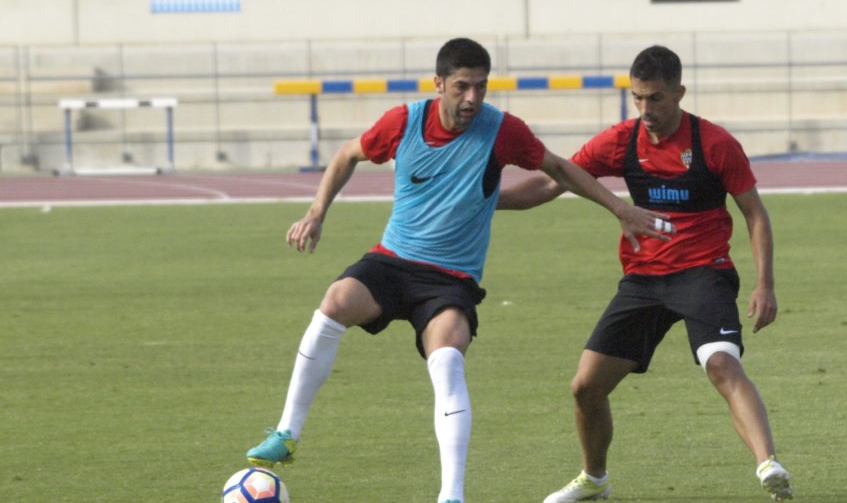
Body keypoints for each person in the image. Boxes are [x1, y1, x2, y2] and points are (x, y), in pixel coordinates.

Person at [244, 38, 669, 503]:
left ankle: (452, 496)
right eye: (462, 87)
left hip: (451, 279)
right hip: (392, 261)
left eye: (481, 87)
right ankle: (287, 433)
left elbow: (559, 170)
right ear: (439, 84)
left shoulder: (502, 130)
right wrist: (316, 212)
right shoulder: (403, 122)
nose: (472, 98)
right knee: (334, 304)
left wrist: (619, 209)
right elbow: (347, 155)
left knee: (447, 359)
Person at [498, 45, 793, 501]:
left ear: (679, 92)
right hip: (643, 280)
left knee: (721, 364)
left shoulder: (714, 144)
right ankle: (595, 480)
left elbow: (755, 213)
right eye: (638, 98)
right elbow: (556, 180)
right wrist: (491, 201)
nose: (646, 109)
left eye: (655, 98)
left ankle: (768, 464)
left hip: (703, 273)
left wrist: (765, 283)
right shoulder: (621, 140)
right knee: (584, 387)